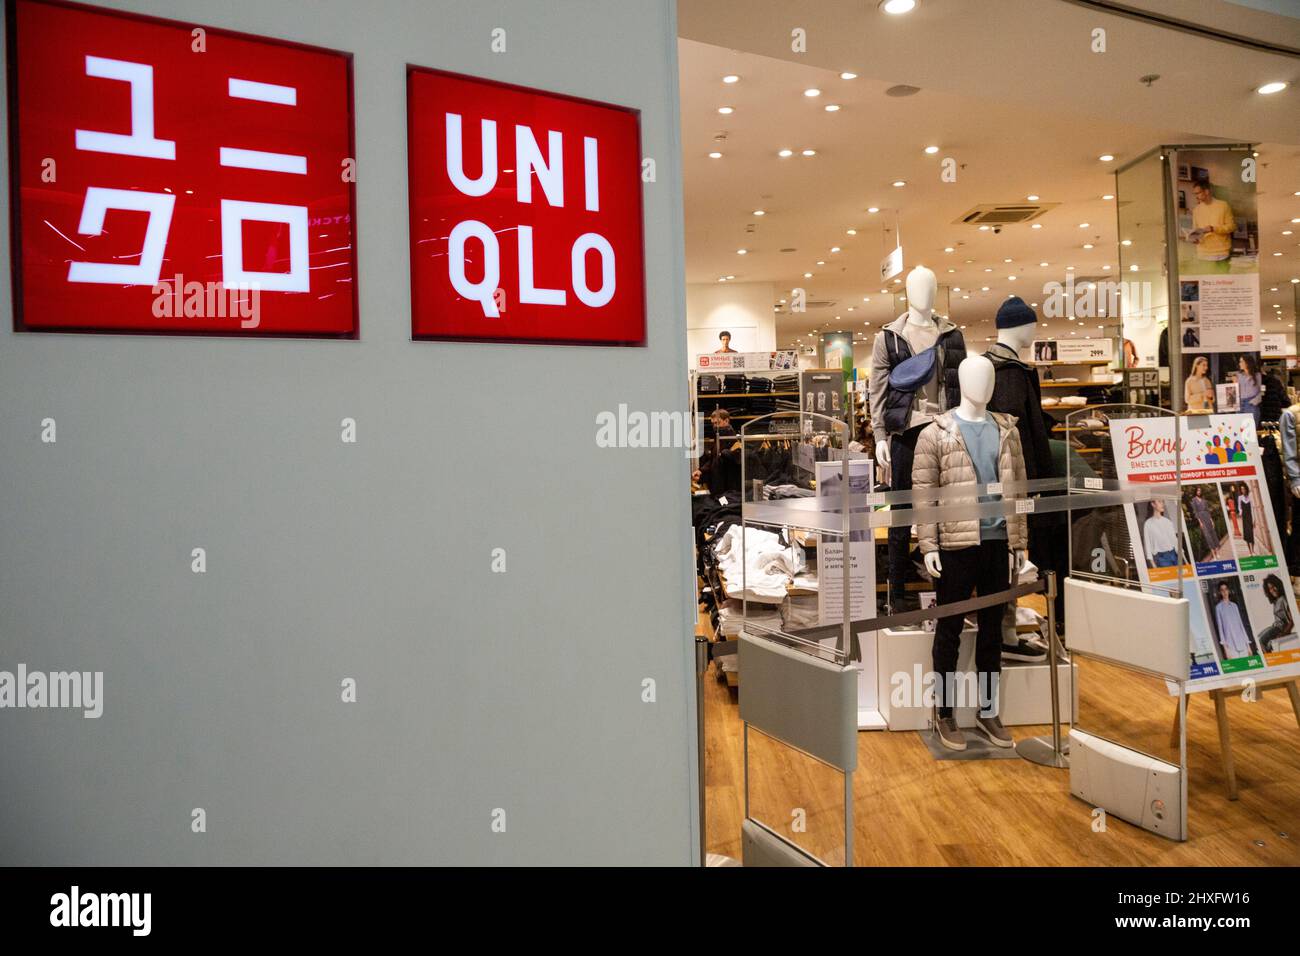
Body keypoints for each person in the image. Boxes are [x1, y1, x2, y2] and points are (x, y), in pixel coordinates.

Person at [1189, 177, 1236, 274]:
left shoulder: (1223, 205)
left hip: (1221, 254)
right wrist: (1194, 238)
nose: (1196, 196)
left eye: (1198, 193)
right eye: (1195, 194)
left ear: (1206, 191)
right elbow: (1195, 229)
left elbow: (1231, 226)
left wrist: (1213, 229)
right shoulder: (1196, 210)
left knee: (1223, 285)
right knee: (1206, 286)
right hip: (1202, 254)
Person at [1213, 581, 1254, 659]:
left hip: (1243, 644)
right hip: (1231, 647)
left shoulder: (1234, 606)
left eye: (1226, 589)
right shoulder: (1218, 608)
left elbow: (1241, 625)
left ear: (1228, 590)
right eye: (1222, 590)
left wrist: (1248, 646)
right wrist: (1226, 650)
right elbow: (1220, 630)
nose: (1224, 592)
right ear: (1220, 592)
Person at [1256, 574, 1294, 653]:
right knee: (1258, 638)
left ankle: (1269, 659)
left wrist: (1283, 634)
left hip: (1280, 629)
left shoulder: (1283, 599)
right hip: (1275, 626)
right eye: (1270, 588)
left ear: (1278, 585)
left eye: (1274, 586)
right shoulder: (1275, 602)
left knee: (1260, 641)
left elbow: (1292, 620)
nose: (1273, 590)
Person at [1142, 498, 1180, 567]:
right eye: (1159, 501)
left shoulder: (1168, 522)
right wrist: (1152, 563)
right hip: (1162, 558)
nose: (1162, 504)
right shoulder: (1148, 524)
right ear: (1153, 504)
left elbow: (1174, 540)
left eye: (1163, 501)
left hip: (1174, 555)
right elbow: (1147, 545)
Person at [1189, 486, 1221, 560]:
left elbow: (1207, 511)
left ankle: (1217, 552)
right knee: (1208, 537)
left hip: (1208, 518)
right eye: (1197, 491)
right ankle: (1214, 555)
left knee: (1213, 535)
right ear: (1195, 492)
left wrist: (1211, 520)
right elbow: (1195, 512)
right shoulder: (1193, 500)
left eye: (1200, 491)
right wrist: (1200, 522)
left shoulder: (1204, 500)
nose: (1199, 492)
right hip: (1202, 519)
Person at [1237, 354, 1262, 425]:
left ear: (1247, 363)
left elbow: (1263, 391)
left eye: (1241, 361)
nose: (1240, 364)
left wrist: (1255, 401)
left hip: (1251, 403)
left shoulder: (1258, 376)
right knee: (1239, 429)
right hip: (1240, 404)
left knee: (1251, 430)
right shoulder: (1239, 375)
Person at [1238, 485, 1255, 554]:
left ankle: (1253, 550)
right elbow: (1239, 507)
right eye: (1241, 489)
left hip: (1250, 517)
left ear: (1246, 489)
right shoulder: (1240, 498)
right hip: (1244, 518)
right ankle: (1250, 552)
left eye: (1244, 489)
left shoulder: (1250, 497)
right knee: (1247, 534)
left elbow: (1252, 509)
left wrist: (1254, 519)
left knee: (1251, 534)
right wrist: (1240, 512)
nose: (1243, 490)